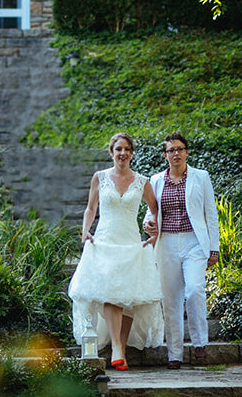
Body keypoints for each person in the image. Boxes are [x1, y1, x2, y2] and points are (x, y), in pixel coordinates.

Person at [67, 132, 165, 371]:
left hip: (131, 243)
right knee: (111, 294)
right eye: (118, 149)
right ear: (111, 153)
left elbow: (154, 208)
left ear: (131, 153)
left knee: (128, 297)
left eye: (127, 149)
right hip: (105, 242)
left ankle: (118, 346)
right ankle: (118, 349)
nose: (123, 153)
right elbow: (91, 208)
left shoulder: (142, 181)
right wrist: (85, 231)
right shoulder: (100, 178)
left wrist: (153, 233)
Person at [144, 132, 220, 369]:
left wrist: (214, 248)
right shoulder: (155, 180)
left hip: (194, 242)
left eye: (180, 149)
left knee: (195, 290)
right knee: (170, 299)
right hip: (166, 243)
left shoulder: (201, 177)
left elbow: (211, 213)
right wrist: (148, 223)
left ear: (187, 152)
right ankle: (175, 354)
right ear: (165, 155)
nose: (175, 153)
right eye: (171, 150)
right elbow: (151, 211)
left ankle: (199, 344)